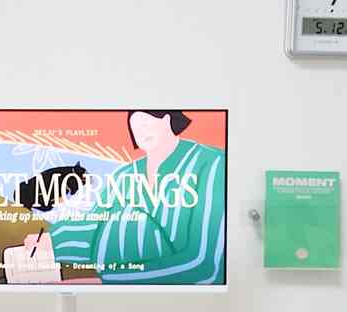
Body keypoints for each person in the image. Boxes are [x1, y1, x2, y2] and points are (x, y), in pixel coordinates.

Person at [25, 110, 225, 286]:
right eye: (135, 126)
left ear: (167, 118)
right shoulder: (124, 175)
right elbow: (96, 226)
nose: (142, 132)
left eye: (146, 122)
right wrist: (54, 241)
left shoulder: (212, 163)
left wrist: (105, 282)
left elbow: (204, 265)